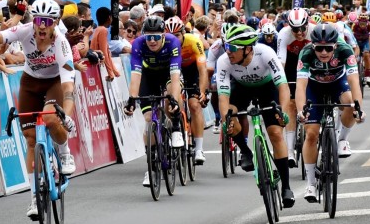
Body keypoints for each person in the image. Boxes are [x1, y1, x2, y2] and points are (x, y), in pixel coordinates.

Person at [0, 0, 77, 220]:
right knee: (31, 139)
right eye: (38, 20)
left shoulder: (61, 44)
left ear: (56, 22)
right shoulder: (24, 31)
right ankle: (35, 197)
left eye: (47, 21)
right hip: (30, 83)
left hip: (55, 83)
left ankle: (64, 153)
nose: (42, 25)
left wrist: (67, 116)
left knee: (51, 119)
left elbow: (68, 89)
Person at [216, 24, 295, 207]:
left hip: (267, 88)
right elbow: (223, 97)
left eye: (233, 48)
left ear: (248, 49)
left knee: (276, 134)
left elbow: (283, 86)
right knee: (229, 118)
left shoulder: (266, 53)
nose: (228, 52)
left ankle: (286, 187)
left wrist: (282, 112)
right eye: (226, 46)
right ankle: (245, 151)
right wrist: (225, 119)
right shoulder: (224, 61)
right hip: (241, 89)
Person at [296, 24, 365, 202]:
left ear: (335, 45)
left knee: (350, 103)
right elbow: (301, 86)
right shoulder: (306, 53)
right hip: (314, 87)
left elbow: (354, 81)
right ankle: (311, 183)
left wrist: (359, 108)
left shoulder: (345, 50)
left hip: (337, 83)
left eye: (328, 48)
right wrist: (301, 111)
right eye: (319, 48)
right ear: (313, 46)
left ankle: (342, 139)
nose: (324, 52)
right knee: (311, 134)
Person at [123, 16, 184, 187]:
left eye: (156, 37)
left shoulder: (172, 42)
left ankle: (176, 127)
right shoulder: (138, 44)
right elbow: (135, 75)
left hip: (168, 74)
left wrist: (174, 100)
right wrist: (131, 99)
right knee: (149, 119)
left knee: (171, 98)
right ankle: (151, 167)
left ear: (163, 35)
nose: (152, 41)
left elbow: (175, 76)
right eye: (148, 36)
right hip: (148, 77)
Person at [165, 16, 208, 165]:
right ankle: (175, 127)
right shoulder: (164, 45)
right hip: (173, 71)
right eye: (170, 36)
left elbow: (202, 70)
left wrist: (202, 91)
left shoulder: (193, 41)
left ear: (183, 33)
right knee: (170, 100)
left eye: (177, 35)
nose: (174, 39)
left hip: (191, 70)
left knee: (195, 105)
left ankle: (199, 149)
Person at [276, 8, 310, 167]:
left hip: (311, 62)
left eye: (303, 28)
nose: (300, 32)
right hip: (291, 64)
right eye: (295, 29)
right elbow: (281, 63)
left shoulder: (314, 31)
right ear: (289, 27)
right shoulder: (284, 34)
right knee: (290, 104)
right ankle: (290, 150)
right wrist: (280, 84)